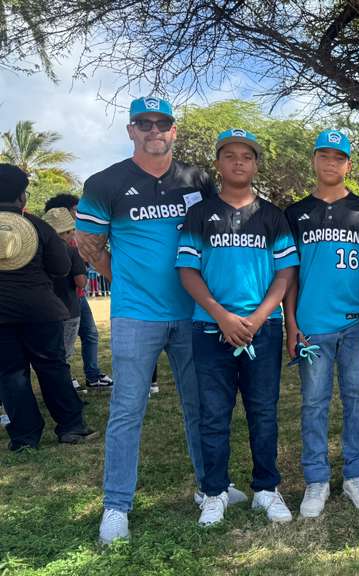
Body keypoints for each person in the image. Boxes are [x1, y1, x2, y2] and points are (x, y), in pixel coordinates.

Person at [76, 98, 226, 544]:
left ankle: (210, 489)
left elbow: (213, 235)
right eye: (144, 123)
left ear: (174, 130)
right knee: (127, 410)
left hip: (193, 312)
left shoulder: (197, 179)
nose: (154, 130)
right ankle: (116, 505)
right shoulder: (105, 182)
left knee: (200, 406)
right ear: (131, 130)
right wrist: (125, 280)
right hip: (135, 315)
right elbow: (89, 245)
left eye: (162, 123)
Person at [177, 129, 298, 526]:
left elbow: (285, 273)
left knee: (263, 412)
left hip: (263, 328)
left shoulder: (272, 215)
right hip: (210, 329)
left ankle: (266, 489)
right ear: (218, 163)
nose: (239, 162)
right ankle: (214, 492)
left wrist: (258, 318)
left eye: (247, 156)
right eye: (230, 155)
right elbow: (188, 271)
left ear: (256, 164)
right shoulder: (200, 214)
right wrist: (222, 317)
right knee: (213, 414)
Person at [284, 129, 359, 516]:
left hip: (358, 322)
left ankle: (355, 475)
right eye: (324, 156)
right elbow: (289, 274)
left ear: (349, 165)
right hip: (312, 324)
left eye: (338, 157)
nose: (331, 163)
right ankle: (316, 479)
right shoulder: (295, 213)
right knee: (314, 402)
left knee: (357, 399)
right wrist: (290, 323)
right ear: (314, 160)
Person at [0, 164, 96, 452]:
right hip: (40, 309)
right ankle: (71, 427)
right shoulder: (38, 226)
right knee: (53, 367)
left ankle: (24, 437)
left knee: (10, 374)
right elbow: (61, 266)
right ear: (22, 196)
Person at [44, 193, 113, 389]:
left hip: (74, 298)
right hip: (67, 298)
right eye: (75, 209)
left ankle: (92, 375)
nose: (79, 213)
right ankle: (67, 380)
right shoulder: (68, 245)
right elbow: (81, 280)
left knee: (89, 334)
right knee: (65, 343)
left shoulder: (51, 240)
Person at [41, 208, 87, 374]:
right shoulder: (72, 251)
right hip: (68, 309)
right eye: (71, 230)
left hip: (44, 310)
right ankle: (66, 382)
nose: (73, 233)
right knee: (64, 354)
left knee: (49, 353)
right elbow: (80, 282)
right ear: (66, 232)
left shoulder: (38, 252)